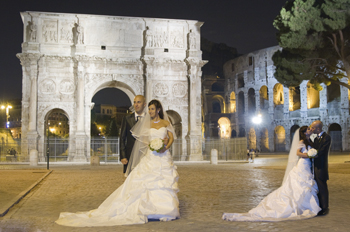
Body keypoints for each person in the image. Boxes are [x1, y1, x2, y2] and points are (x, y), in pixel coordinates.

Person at [55, 99, 179, 227]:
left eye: (152, 109)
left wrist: (165, 145)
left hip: (163, 156)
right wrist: (153, 145)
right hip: (151, 155)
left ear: (158, 110)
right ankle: (148, 209)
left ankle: (164, 210)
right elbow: (145, 140)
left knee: (163, 183)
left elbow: (171, 138)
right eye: (149, 109)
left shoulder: (165, 122)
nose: (150, 111)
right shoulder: (147, 124)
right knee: (146, 183)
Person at [222, 126, 321, 221]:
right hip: (303, 164)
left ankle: (304, 203)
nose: (310, 130)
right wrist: (308, 155)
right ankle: (301, 204)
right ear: (303, 133)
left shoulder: (310, 141)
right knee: (300, 184)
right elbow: (298, 153)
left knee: (305, 185)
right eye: (308, 129)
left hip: (308, 166)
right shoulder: (302, 141)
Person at [119, 95, 146, 173]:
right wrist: (123, 156)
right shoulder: (126, 118)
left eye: (139, 102)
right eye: (134, 102)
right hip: (130, 156)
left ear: (144, 104)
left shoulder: (150, 119)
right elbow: (122, 138)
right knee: (130, 181)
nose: (136, 104)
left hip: (145, 155)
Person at [310, 120, 331, 216]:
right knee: (317, 187)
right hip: (315, 166)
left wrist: (313, 155)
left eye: (313, 128)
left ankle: (325, 208)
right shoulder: (315, 139)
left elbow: (322, 151)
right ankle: (319, 206)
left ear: (318, 128)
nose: (312, 129)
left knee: (322, 187)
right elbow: (312, 147)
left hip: (321, 167)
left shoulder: (326, 137)